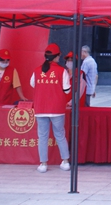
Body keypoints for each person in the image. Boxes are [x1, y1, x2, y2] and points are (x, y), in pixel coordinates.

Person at [30, 43, 71, 173]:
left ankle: (43, 164)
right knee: (60, 135)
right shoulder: (62, 71)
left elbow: (32, 84)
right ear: (57, 56)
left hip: (41, 108)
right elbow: (67, 89)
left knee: (42, 137)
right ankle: (65, 161)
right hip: (57, 108)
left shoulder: (37, 70)